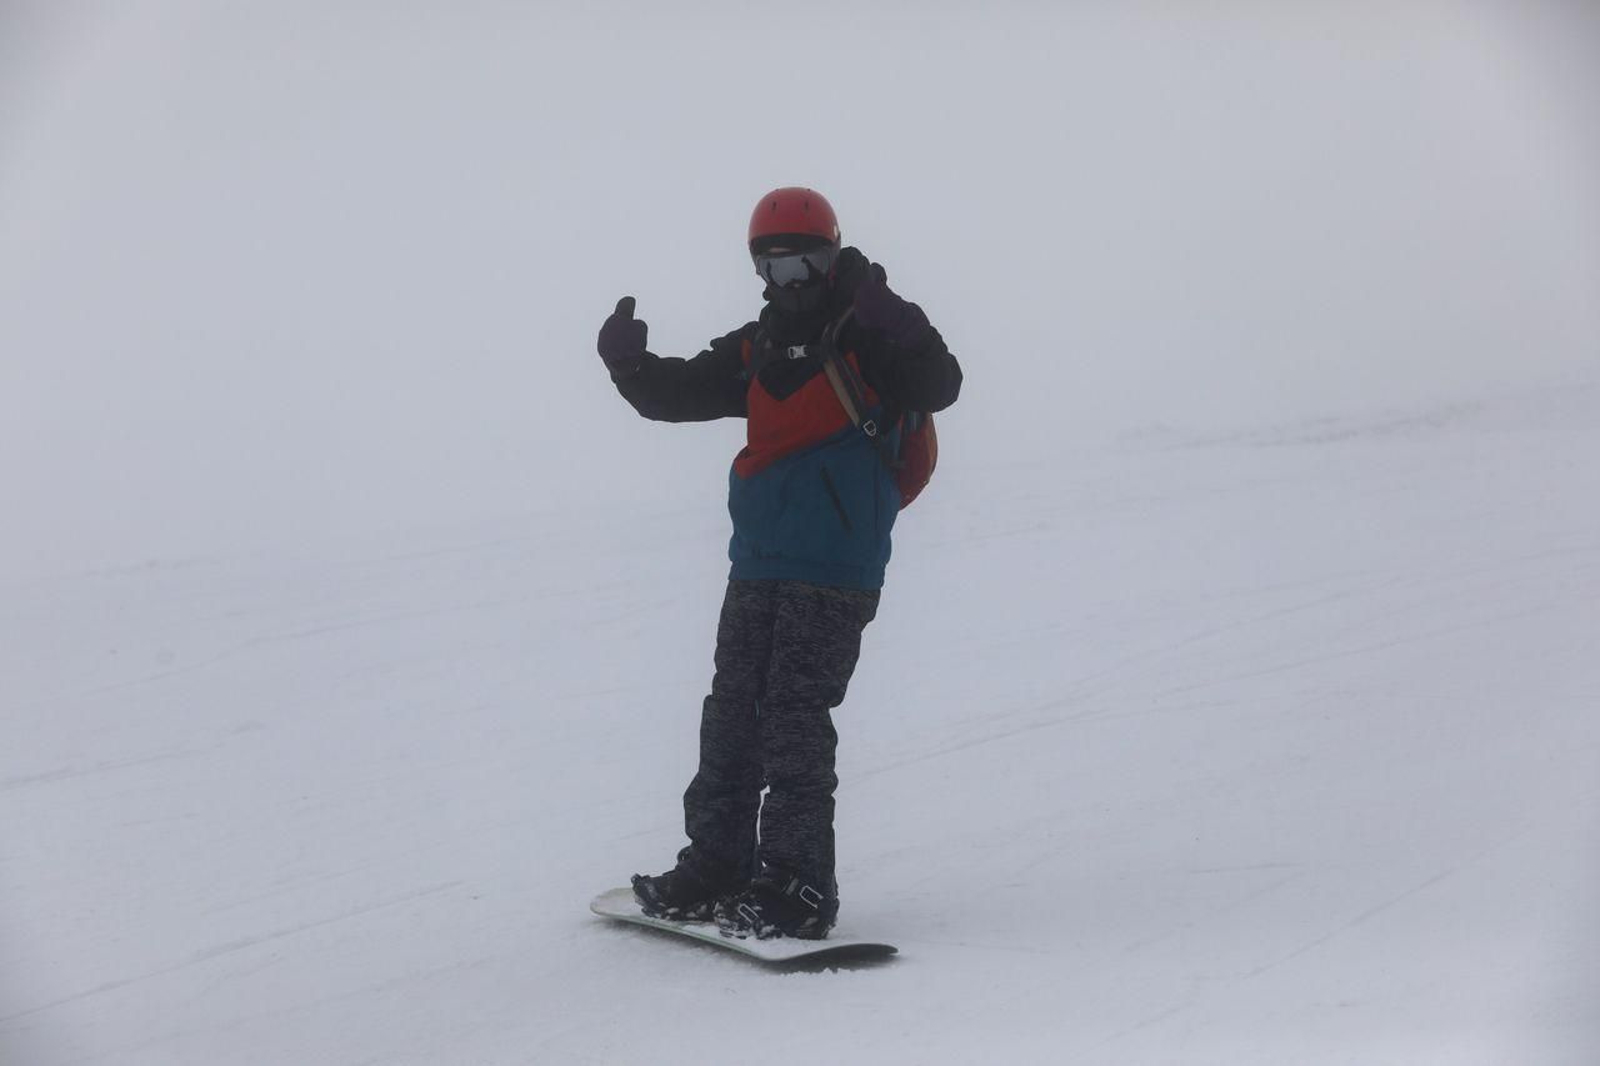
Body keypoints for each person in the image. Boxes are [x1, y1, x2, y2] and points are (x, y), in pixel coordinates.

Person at [597, 187, 962, 939]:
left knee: (794, 720)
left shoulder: (869, 333)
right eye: (777, 265)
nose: (793, 279)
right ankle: (717, 866)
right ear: (759, 270)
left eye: (807, 262)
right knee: (732, 713)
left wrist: (907, 326)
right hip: (758, 560)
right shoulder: (756, 346)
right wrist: (629, 368)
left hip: (833, 567)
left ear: (833, 255)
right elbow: (678, 393)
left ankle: (796, 886)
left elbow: (940, 386)